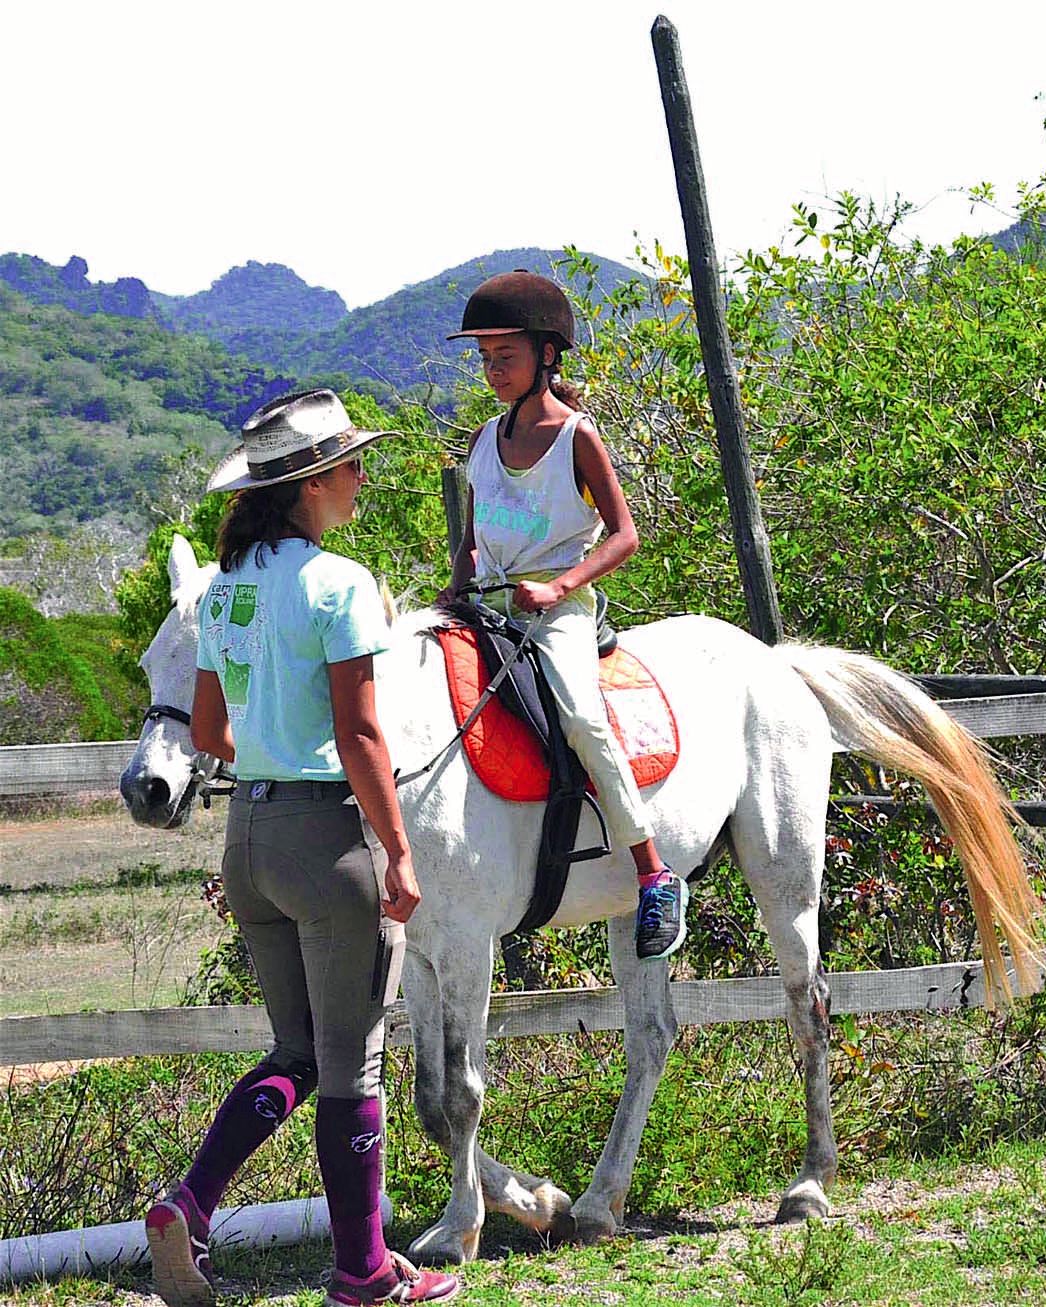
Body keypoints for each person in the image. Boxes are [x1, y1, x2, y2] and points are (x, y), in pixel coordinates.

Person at [145, 390, 459, 1304]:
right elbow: (362, 736)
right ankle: (362, 1270)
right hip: (325, 843)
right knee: (351, 1060)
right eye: (352, 463)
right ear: (314, 483)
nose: (363, 475)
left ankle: (192, 1203)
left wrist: (275, 763)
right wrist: (397, 852)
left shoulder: (225, 588)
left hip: (249, 840)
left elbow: (207, 728)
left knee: (298, 1054)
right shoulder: (341, 584)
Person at [443, 270, 685, 960]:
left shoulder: (577, 436)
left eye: (506, 357)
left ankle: (652, 870)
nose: (493, 371)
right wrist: (452, 591)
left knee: (579, 714)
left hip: (557, 609)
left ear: (547, 355)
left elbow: (624, 534)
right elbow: (469, 536)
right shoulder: (483, 438)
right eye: (486, 359)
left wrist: (559, 587)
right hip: (486, 603)